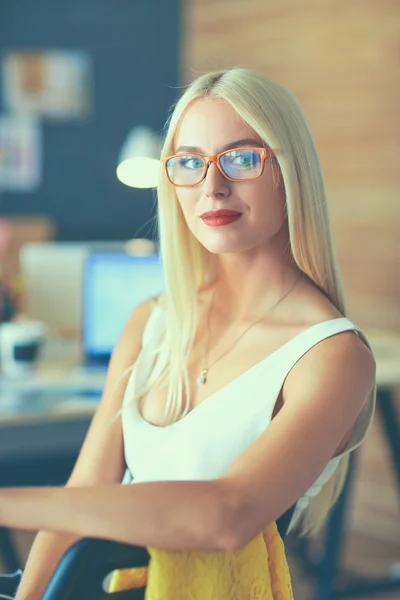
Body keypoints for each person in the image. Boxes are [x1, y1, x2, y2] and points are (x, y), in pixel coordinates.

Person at [5, 67, 375, 599]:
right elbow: (84, 494)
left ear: (290, 172)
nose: (213, 186)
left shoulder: (332, 354)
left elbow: (226, 515)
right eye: (190, 163)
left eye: (243, 158)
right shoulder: (151, 320)